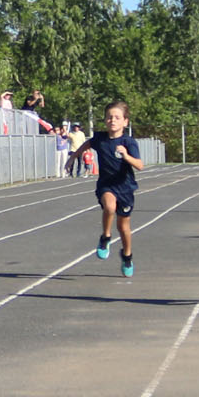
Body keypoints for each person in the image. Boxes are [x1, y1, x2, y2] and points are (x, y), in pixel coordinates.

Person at [67, 101, 144, 277]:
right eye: (109, 117)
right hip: (106, 185)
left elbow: (140, 165)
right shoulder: (100, 139)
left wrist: (125, 155)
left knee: (124, 227)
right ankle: (106, 237)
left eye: (117, 117)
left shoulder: (128, 142)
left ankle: (127, 256)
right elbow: (87, 144)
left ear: (125, 121)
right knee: (109, 207)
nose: (112, 120)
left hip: (125, 188)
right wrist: (72, 158)